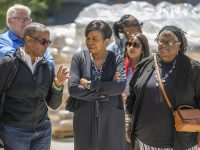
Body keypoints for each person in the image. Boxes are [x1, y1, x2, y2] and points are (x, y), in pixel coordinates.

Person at [126, 25, 200, 150]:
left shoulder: (193, 69)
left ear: (179, 45)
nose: (164, 45)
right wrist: (127, 121)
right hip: (145, 140)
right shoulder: (145, 65)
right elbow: (132, 95)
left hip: (181, 142)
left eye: (169, 42)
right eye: (161, 40)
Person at [0, 22, 69, 150]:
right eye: (43, 41)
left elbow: (53, 104)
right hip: (15, 132)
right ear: (28, 40)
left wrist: (58, 85)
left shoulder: (47, 66)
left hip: (43, 131)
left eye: (48, 42)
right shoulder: (9, 63)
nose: (46, 46)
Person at [68, 20, 127, 150]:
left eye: (95, 39)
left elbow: (120, 86)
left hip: (111, 118)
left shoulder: (117, 59)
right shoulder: (79, 58)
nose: (90, 42)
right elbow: (73, 88)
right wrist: (105, 93)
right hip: (84, 118)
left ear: (106, 41)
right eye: (88, 38)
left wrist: (90, 84)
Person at [0, 4, 55, 68]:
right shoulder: (2, 41)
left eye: (28, 19)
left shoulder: (35, 40)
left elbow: (51, 64)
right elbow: (16, 60)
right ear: (10, 21)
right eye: (22, 19)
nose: (27, 23)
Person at [122, 33, 150, 148]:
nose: (131, 47)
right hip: (121, 112)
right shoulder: (121, 66)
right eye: (129, 44)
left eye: (136, 45)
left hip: (140, 113)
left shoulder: (148, 68)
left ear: (143, 48)